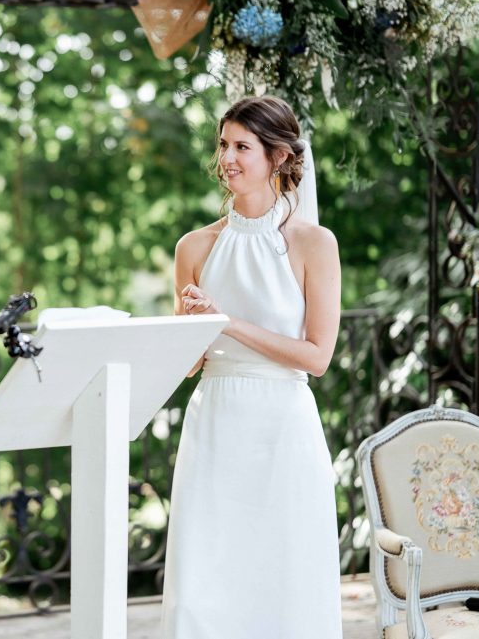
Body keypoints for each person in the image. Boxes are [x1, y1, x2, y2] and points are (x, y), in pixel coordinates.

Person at [161, 96, 343, 638]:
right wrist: (188, 331)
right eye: (224, 145)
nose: (228, 158)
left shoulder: (314, 244)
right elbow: (190, 364)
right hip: (214, 424)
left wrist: (226, 322)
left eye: (243, 146)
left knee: (284, 581)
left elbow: (317, 357)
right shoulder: (193, 247)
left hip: (283, 428)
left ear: (279, 157)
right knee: (202, 587)